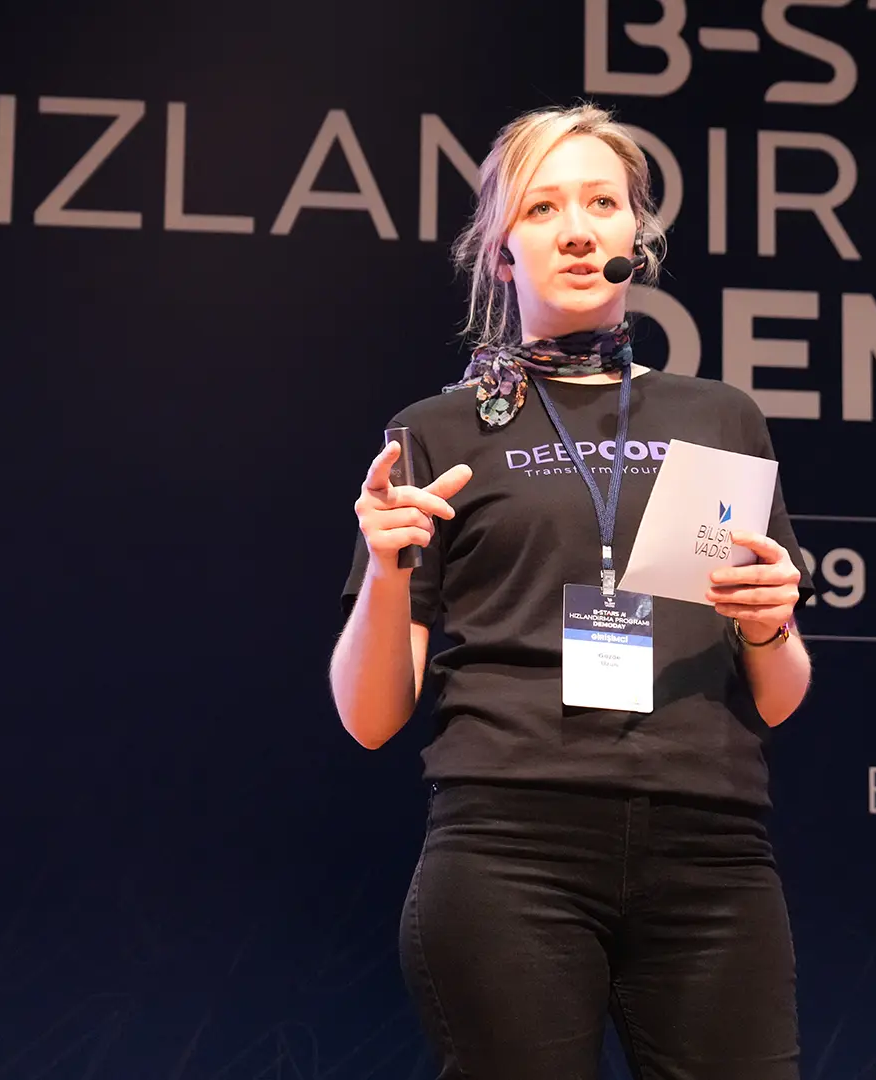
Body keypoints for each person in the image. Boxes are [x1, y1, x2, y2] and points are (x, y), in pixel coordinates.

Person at [328, 102, 815, 1080]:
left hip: (710, 853)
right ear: (501, 251)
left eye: (602, 202)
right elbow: (370, 719)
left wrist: (771, 627)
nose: (579, 230)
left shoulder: (715, 418)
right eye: (543, 208)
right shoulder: (441, 432)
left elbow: (777, 697)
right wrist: (384, 571)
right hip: (512, 852)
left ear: (638, 233)